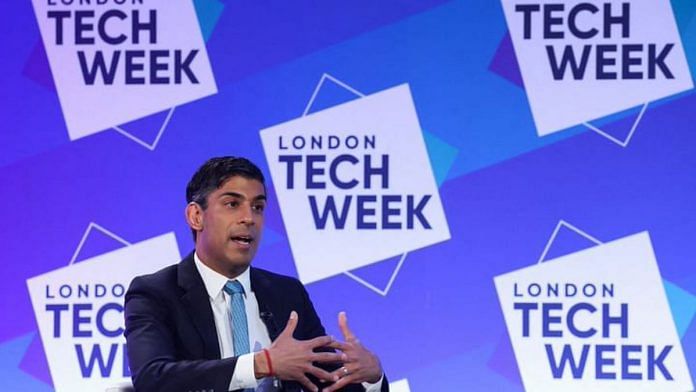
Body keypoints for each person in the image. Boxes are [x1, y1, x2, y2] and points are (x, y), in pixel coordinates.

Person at [124, 156, 388, 392]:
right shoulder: (156, 293)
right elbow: (153, 379)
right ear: (196, 216)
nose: (249, 218)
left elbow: (325, 383)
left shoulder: (287, 293)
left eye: (258, 207)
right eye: (232, 204)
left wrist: (371, 377)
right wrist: (261, 364)